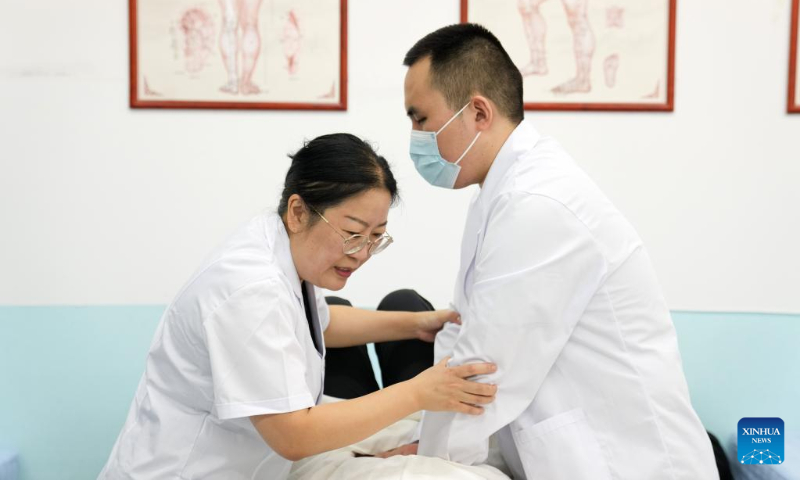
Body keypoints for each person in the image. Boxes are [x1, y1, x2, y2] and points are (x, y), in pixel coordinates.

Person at [397, 23, 719, 479]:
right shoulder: (504, 194)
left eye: (420, 119)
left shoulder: (538, 204)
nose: (414, 137)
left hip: (631, 463)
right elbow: (467, 336)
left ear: (479, 113)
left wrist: (428, 463)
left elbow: (481, 370)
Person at [98, 133, 497, 479]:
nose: (362, 254)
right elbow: (294, 435)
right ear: (298, 211)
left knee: (404, 304)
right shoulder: (250, 289)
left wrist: (417, 323)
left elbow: (320, 323)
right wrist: (417, 393)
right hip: (183, 471)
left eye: (377, 237)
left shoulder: (280, 249)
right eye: (354, 234)